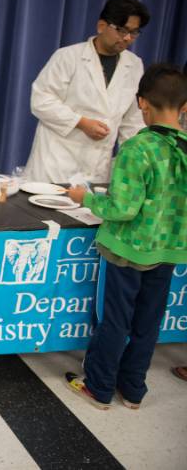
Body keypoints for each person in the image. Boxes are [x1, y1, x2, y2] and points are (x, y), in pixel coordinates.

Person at [64, 64, 187, 409]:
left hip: (127, 252)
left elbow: (122, 208)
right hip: (167, 251)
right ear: (185, 107)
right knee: (148, 322)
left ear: (142, 103)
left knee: (114, 320)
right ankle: (133, 390)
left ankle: (99, 388)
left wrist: (84, 198)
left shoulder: (138, 148)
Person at [25, 0, 151, 183]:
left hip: (98, 168)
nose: (127, 38)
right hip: (56, 163)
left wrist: (132, 163)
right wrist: (81, 122)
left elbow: (133, 121)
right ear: (101, 26)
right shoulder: (68, 57)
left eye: (134, 33)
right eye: (122, 30)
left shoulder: (134, 65)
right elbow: (41, 101)